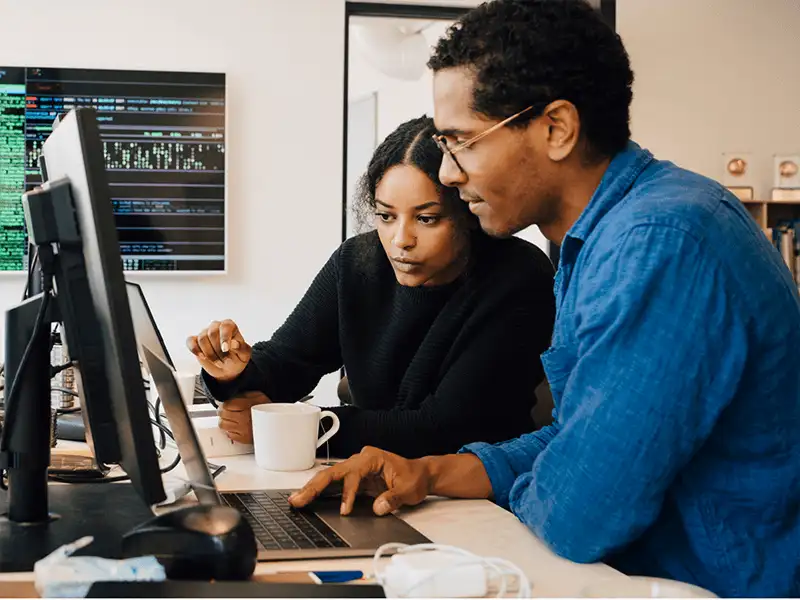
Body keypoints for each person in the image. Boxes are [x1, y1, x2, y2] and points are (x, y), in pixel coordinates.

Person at [289, 1, 800, 597]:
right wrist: (428, 472)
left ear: (556, 128)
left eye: (460, 143)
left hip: (716, 582)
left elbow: (580, 514)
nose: (449, 173)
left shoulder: (658, 243)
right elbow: (576, 434)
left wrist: (543, 479)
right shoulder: (597, 239)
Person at [187, 115, 555, 459]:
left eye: (426, 219)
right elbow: (289, 360)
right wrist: (233, 374)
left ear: (468, 213)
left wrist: (293, 428)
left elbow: (444, 429)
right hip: (375, 479)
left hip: (478, 502)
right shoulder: (358, 262)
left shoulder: (517, 277)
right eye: (385, 216)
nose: (400, 240)